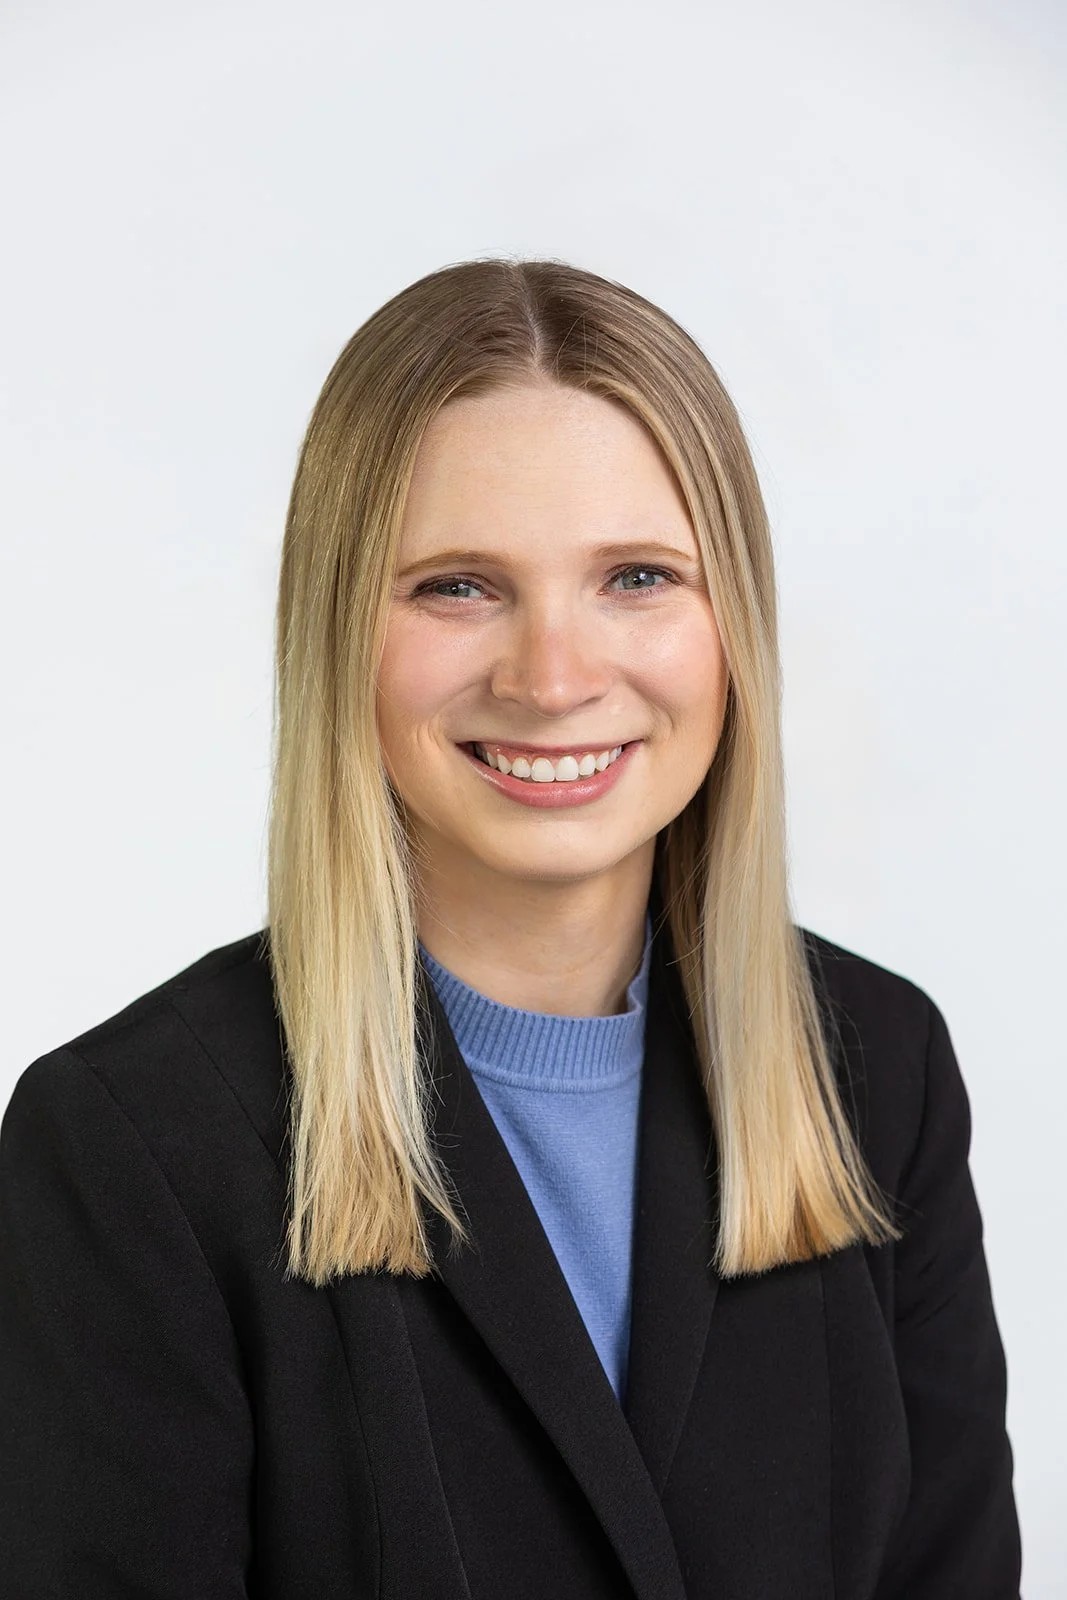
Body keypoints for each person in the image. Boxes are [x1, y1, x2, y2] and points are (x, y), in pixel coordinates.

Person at [0, 259, 1021, 1598]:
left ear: (734, 629)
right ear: (337, 633)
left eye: (638, 576)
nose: (551, 676)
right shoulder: (127, 1144)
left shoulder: (875, 1067)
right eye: (458, 586)